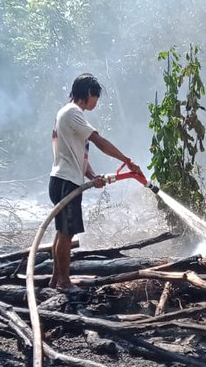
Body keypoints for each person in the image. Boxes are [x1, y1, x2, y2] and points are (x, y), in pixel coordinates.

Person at [48, 73, 142, 289]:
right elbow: (99, 142)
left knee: (62, 232)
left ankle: (55, 280)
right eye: (96, 96)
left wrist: (91, 176)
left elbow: (75, 154)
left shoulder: (65, 112)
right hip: (66, 182)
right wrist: (126, 160)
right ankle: (64, 282)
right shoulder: (73, 112)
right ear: (88, 93)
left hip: (61, 180)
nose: (96, 102)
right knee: (66, 234)